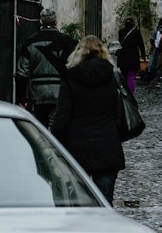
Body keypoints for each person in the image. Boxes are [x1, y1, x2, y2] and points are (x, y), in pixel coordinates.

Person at [50, 35, 124, 203]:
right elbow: (119, 113)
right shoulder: (112, 78)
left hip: (77, 147)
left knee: (78, 202)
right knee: (105, 202)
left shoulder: (70, 79)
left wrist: (54, 141)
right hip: (107, 146)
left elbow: (62, 116)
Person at [16, 7, 74, 126]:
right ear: (56, 22)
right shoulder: (68, 42)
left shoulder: (29, 42)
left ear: (40, 22)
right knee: (58, 126)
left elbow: (22, 73)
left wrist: (21, 98)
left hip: (37, 94)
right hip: (60, 91)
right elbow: (74, 68)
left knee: (40, 127)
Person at [116, 17, 147, 97]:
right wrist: (143, 56)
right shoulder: (136, 32)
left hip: (123, 55)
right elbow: (141, 45)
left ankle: (124, 91)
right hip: (133, 55)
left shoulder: (121, 32)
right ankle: (130, 92)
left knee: (124, 74)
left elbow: (120, 42)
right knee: (132, 75)